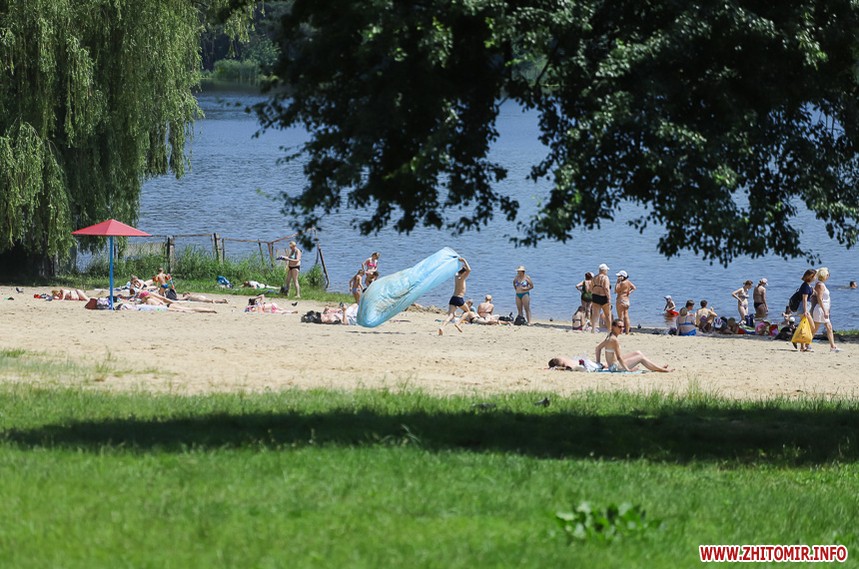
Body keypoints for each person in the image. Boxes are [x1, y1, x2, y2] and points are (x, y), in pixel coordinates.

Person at [595, 318, 671, 372]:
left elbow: (598, 348)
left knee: (638, 353)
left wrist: (598, 363)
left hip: (613, 365)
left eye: (623, 327)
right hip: (615, 367)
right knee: (641, 358)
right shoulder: (614, 340)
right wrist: (628, 369)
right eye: (620, 327)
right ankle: (661, 369)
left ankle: (657, 367)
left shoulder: (610, 337)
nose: (622, 329)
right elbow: (619, 357)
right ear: (613, 327)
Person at [438, 257, 471, 335]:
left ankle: (442, 327)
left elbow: (458, 271)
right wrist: (464, 260)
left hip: (453, 298)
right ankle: (458, 323)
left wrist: (458, 262)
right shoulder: (462, 278)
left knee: (451, 315)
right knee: (467, 311)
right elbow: (469, 270)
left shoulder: (456, 277)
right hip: (459, 298)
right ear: (464, 272)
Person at [812, 267, 840, 353]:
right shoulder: (820, 285)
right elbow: (819, 299)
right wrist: (825, 311)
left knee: (829, 327)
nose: (828, 276)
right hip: (820, 310)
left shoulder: (821, 284)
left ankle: (833, 346)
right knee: (815, 329)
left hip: (823, 309)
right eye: (827, 275)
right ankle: (806, 344)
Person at [794, 269, 817, 352]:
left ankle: (803, 346)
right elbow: (804, 299)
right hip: (804, 308)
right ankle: (804, 344)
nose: (815, 278)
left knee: (804, 327)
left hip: (806, 308)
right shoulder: (805, 286)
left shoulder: (808, 285)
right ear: (811, 276)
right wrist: (805, 311)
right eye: (815, 276)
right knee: (811, 326)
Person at [590, 263, 612, 333]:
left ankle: (593, 329)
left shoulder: (594, 278)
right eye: (606, 270)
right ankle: (609, 330)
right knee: (607, 314)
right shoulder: (605, 278)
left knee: (595, 314)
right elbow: (606, 288)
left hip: (595, 296)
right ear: (604, 270)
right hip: (603, 297)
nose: (607, 271)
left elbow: (591, 288)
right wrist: (609, 298)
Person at [614, 270, 636, 334]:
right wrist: (629, 292)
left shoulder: (621, 283)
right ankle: (627, 331)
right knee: (626, 316)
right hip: (626, 300)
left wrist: (617, 282)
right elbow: (634, 287)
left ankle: (620, 331)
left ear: (623, 277)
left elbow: (616, 290)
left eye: (619, 276)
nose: (618, 277)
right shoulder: (628, 282)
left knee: (620, 317)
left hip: (621, 299)